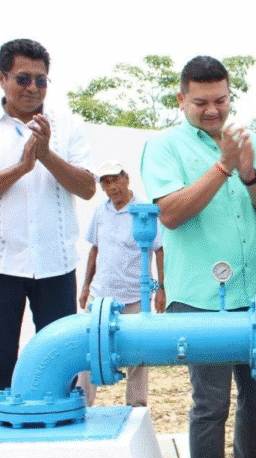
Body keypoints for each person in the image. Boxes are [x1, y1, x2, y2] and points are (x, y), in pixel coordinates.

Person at [140, 56, 256, 458]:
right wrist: (224, 166)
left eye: (220, 100)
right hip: (198, 299)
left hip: (253, 296)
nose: (212, 110)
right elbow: (170, 214)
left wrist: (249, 174)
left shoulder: (247, 140)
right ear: (181, 99)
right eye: (200, 102)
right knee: (211, 404)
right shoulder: (164, 146)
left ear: (230, 96)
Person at [0, 39, 96, 390]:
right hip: (3, 265)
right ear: (2, 78)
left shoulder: (67, 125)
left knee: (60, 364)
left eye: (41, 80)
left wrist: (46, 155)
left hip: (56, 265)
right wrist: (22, 167)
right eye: (23, 79)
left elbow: (87, 188)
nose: (33, 88)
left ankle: (60, 424)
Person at [74, 160, 165, 406]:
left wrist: (161, 288)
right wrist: (85, 286)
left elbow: (159, 249)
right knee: (89, 349)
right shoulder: (100, 211)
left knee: (138, 353)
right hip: (101, 294)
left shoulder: (144, 211)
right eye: (106, 182)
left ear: (126, 179)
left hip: (135, 295)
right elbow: (94, 249)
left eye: (115, 180)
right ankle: (82, 405)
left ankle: (137, 406)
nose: (112, 186)